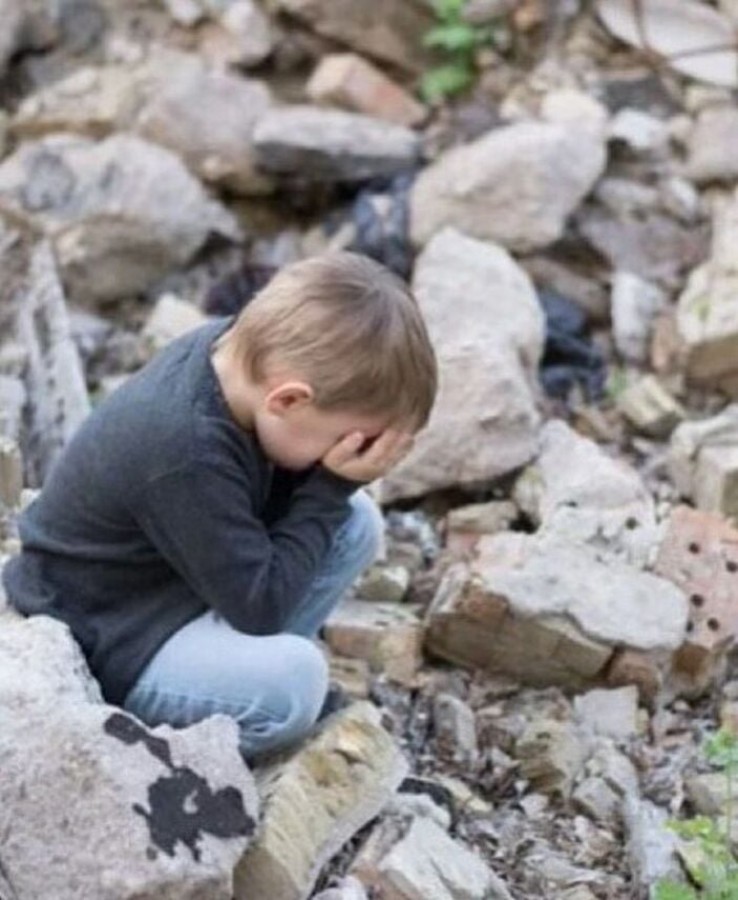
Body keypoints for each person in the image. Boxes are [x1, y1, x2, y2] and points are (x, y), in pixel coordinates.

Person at [3, 252, 438, 759]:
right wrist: (330, 486)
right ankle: (175, 751)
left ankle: (236, 667)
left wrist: (333, 485)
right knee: (293, 686)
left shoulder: (238, 357)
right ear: (288, 400)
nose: (345, 456)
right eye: (343, 441)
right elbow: (262, 607)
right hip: (106, 637)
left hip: (169, 587)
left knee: (356, 523)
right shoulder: (185, 447)